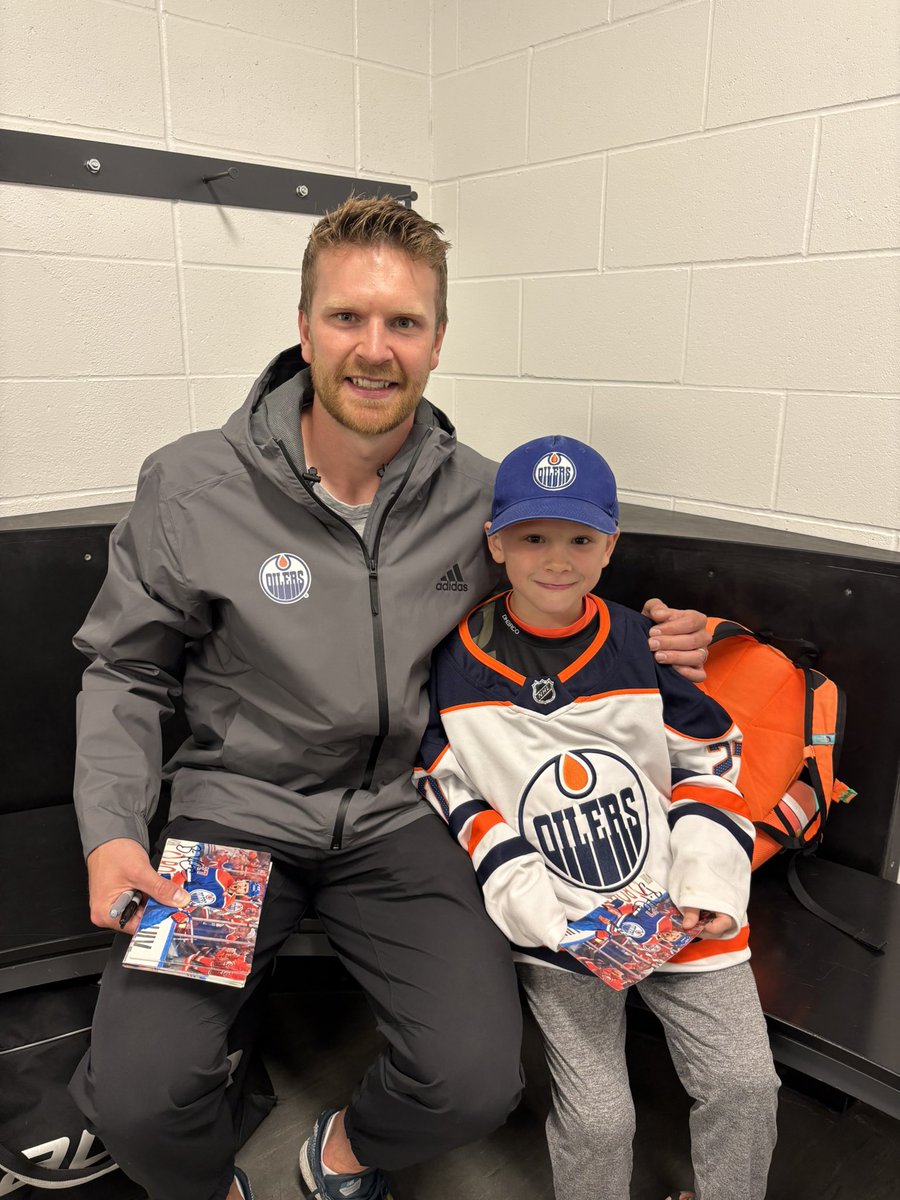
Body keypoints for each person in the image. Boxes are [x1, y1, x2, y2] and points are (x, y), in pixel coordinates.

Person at [69, 197, 712, 1200]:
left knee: (472, 1079)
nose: (375, 350)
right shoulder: (194, 485)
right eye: (347, 318)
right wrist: (112, 829)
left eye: (403, 322)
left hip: (407, 820)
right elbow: (125, 670)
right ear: (303, 326)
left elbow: (560, 596)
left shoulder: (484, 497)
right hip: (236, 818)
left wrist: (659, 636)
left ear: (439, 340)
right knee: (142, 1093)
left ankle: (342, 1153)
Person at [414, 435, 780, 1200]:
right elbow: (457, 793)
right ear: (497, 543)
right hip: (562, 925)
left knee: (747, 1083)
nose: (558, 558)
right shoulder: (454, 661)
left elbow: (709, 760)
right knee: (599, 1124)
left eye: (581, 538)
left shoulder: (641, 645)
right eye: (534, 537)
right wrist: (541, 913)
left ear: (610, 547)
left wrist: (707, 882)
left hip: (676, 905)